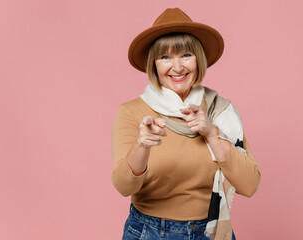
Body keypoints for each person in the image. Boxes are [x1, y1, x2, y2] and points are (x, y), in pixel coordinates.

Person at [111, 8, 261, 240]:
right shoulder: (132, 112)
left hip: (212, 232)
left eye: (186, 55)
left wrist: (212, 133)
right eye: (165, 57)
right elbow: (123, 187)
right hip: (150, 232)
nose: (178, 67)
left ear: (198, 59)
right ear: (154, 64)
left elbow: (249, 185)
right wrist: (142, 145)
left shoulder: (218, 111)